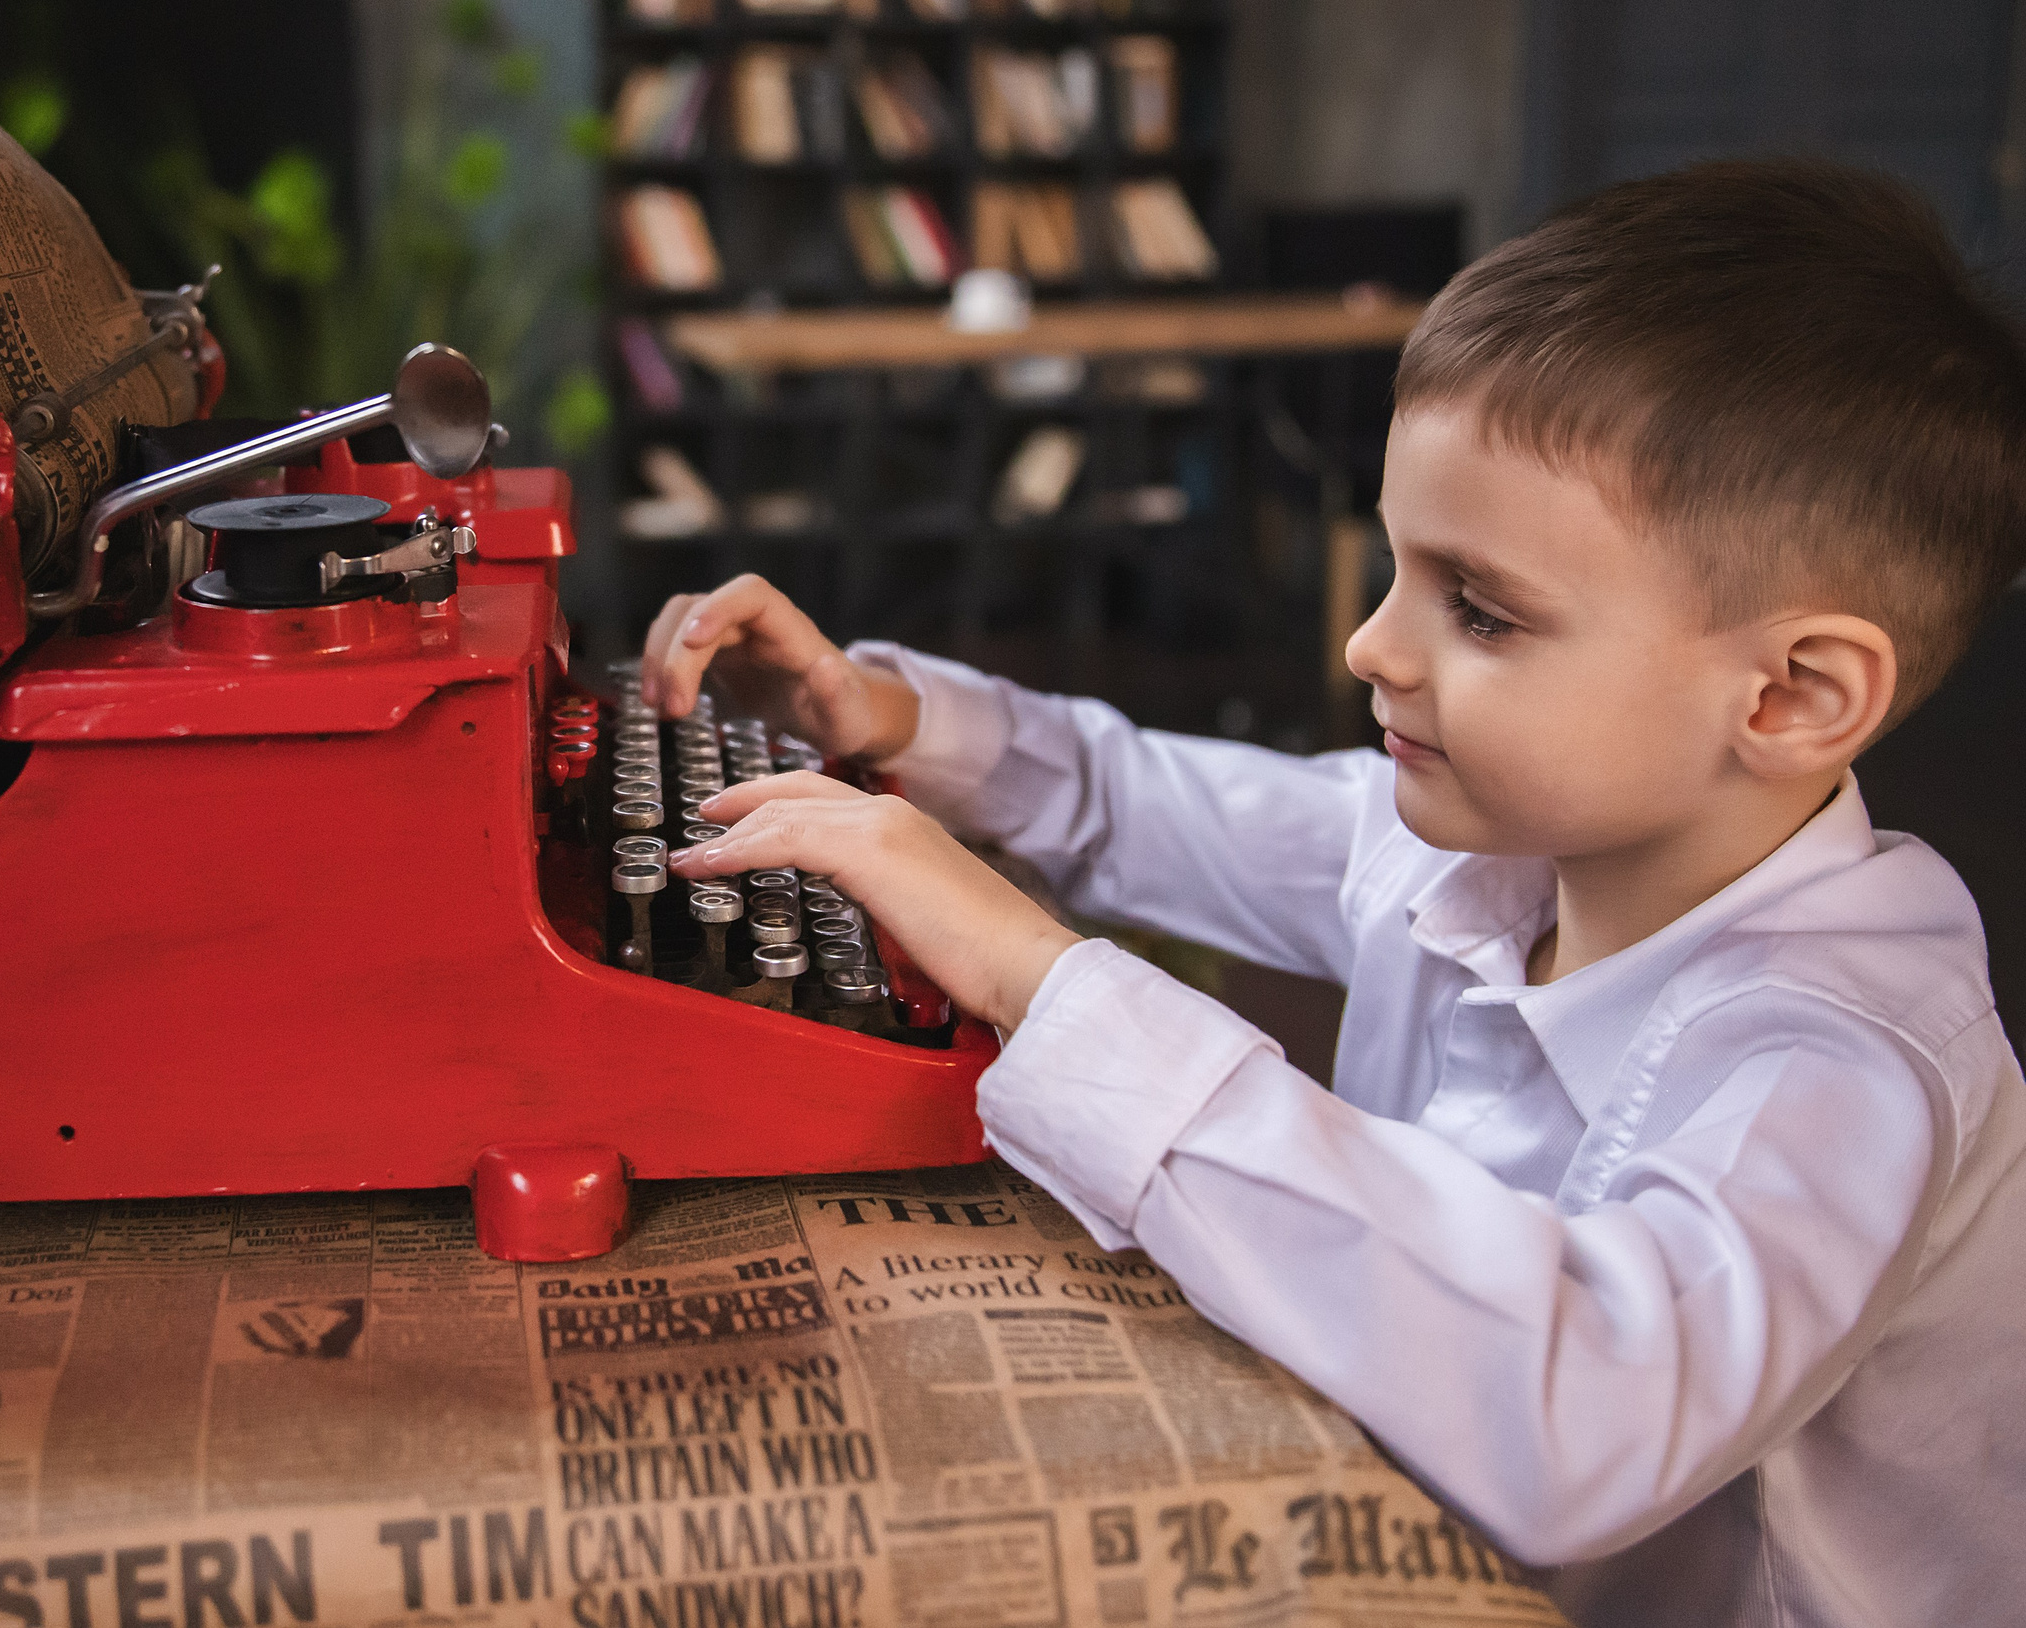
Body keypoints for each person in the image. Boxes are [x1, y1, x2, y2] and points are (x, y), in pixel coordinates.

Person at [642, 160, 2026, 1628]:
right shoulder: (1472, 844)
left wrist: (1038, 977)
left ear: (1797, 695)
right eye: (1394, 569)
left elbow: (1589, 1413)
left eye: (1479, 609)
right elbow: (1134, 803)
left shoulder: (1844, 1061)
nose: (1372, 646)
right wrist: (886, 719)